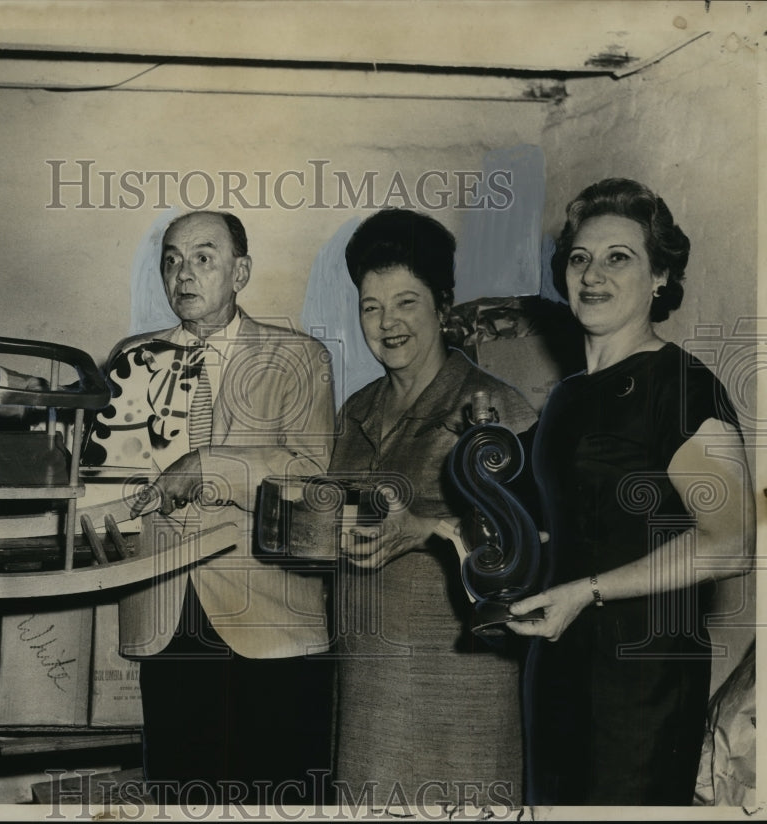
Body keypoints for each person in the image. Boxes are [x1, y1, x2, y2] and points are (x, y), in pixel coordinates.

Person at [506, 178, 755, 805]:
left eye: (620, 257)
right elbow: (569, 527)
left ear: (662, 277)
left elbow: (732, 543)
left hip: (641, 683)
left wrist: (587, 591)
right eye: (580, 258)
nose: (593, 274)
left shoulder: (679, 385)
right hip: (560, 664)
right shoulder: (567, 397)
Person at [114, 211, 336, 805]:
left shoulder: (299, 357)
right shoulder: (132, 360)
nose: (182, 274)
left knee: (276, 796)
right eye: (171, 259)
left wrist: (207, 464)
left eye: (203, 258)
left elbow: (309, 476)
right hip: (166, 616)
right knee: (182, 796)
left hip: (272, 618)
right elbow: (106, 479)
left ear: (241, 272)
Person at [329, 208, 538, 810]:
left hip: (458, 697)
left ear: (443, 308)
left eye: (406, 302)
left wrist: (427, 529)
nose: (387, 322)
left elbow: (526, 560)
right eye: (371, 306)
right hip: (367, 688)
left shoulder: (497, 409)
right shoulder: (355, 412)